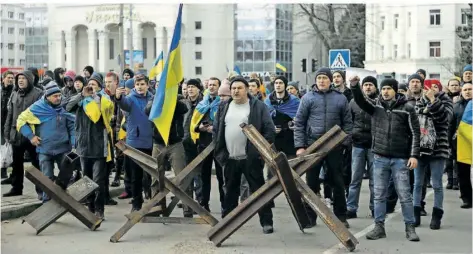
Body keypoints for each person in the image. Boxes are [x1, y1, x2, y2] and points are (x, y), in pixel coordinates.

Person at [350, 76, 420, 242]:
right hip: (380, 157)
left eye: (389, 88)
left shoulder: (407, 109)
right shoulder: (376, 107)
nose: (385, 91)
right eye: (383, 89)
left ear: (395, 90)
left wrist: (414, 155)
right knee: (379, 195)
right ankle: (379, 227)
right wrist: (354, 85)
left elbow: (416, 133)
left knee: (405, 195)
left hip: (400, 159)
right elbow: (360, 100)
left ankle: (410, 227)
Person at [213, 76, 275, 234]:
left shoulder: (258, 106)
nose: (235, 91)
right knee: (230, 193)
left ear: (247, 89)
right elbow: (216, 129)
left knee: (259, 191)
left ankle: (266, 222)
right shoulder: (223, 106)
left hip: (251, 158)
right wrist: (221, 152)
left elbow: (269, 130)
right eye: (233, 88)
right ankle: (227, 224)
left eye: (239, 88)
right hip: (230, 158)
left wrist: (259, 152)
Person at [294, 68, 352, 228]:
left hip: (334, 146)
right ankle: (310, 217)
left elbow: (348, 124)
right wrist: (300, 146)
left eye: (324, 78)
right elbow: (299, 123)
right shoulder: (307, 98)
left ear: (330, 80)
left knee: (337, 181)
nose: (321, 81)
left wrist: (344, 142)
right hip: (313, 145)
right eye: (319, 78)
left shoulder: (340, 99)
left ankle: (341, 216)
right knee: (311, 183)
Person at [66, 73, 114, 219]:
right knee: (86, 180)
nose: (91, 87)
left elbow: (106, 111)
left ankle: (100, 210)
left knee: (98, 180)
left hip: (99, 146)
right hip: (84, 146)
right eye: (90, 84)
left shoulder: (104, 100)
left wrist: (95, 99)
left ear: (100, 87)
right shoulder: (82, 101)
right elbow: (67, 106)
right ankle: (90, 208)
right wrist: (82, 95)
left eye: (94, 85)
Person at [17, 82, 75, 201]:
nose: (58, 98)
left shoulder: (64, 107)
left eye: (59, 95)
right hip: (44, 149)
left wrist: (74, 144)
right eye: (55, 96)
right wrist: (31, 136)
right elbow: (20, 121)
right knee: (46, 179)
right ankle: (47, 203)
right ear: (47, 96)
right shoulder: (37, 108)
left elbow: (72, 126)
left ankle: (65, 200)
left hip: (63, 148)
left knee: (67, 176)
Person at [408, 78, 452, 229]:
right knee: (418, 183)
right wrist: (426, 108)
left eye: (435, 87)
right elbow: (416, 118)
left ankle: (436, 216)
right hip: (421, 149)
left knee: (437, 184)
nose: (431, 90)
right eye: (428, 87)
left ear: (439, 88)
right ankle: (415, 214)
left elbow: (444, 118)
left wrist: (433, 101)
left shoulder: (446, 101)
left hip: (438, 149)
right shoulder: (420, 101)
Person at [115, 74, 154, 211]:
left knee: (150, 175)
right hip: (134, 143)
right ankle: (137, 203)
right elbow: (123, 104)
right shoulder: (130, 98)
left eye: (142, 84)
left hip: (151, 142)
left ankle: (151, 198)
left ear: (147, 85)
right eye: (137, 84)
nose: (140, 87)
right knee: (135, 176)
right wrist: (119, 97)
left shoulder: (153, 98)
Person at [3, 70, 44, 198]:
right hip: (17, 132)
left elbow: (42, 115)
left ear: (30, 80)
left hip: (32, 134)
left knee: (36, 163)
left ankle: (41, 189)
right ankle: (16, 188)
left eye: (23, 78)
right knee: (17, 163)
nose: (20, 80)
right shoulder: (14, 94)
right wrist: (7, 131)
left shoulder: (38, 94)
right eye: (19, 78)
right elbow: (10, 114)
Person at [346, 76, 378, 219]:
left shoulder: (379, 103)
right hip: (357, 145)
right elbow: (348, 121)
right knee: (355, 179)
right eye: (365, 85)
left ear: (375, 87)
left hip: (374, 146)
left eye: (371, 85)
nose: (368, 87)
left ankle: (374, 208)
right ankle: (351, 208)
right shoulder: (353, 102)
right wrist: (351, 136)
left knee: (375, 180)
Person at [1, 71, 14, 179]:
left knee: (10, 148)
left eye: (11, 78)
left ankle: (8, 170)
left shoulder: (14, 91)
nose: (10, 80)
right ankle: (3, 170)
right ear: (3, 79)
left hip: (10, 124)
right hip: (1, 123)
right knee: (2, 148)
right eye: (8, 77)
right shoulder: (1, 91)